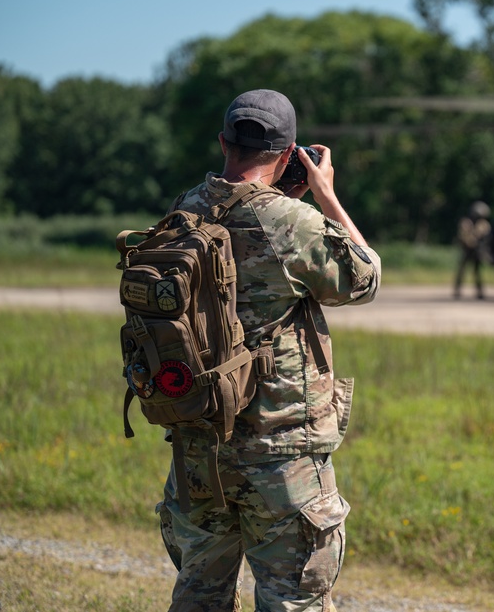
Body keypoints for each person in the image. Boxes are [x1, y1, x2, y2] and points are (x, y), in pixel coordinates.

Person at [157, 89, 380, 611]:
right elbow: (364, 276)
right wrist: (324, 195)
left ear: (222, 143)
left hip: (198, 448)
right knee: (291, 602)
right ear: (288, 155)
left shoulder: (183, 209)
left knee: (198, 596)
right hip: (281, 455)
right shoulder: (293, 222)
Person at [453, 200, 492, 299]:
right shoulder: (467, 223)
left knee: (477, 272)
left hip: (477, 251)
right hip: (467, 250)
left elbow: (485, 239)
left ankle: (479, 292)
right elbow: (463, 237)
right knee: (462, 271)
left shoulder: (483, 225)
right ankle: (457, 291)